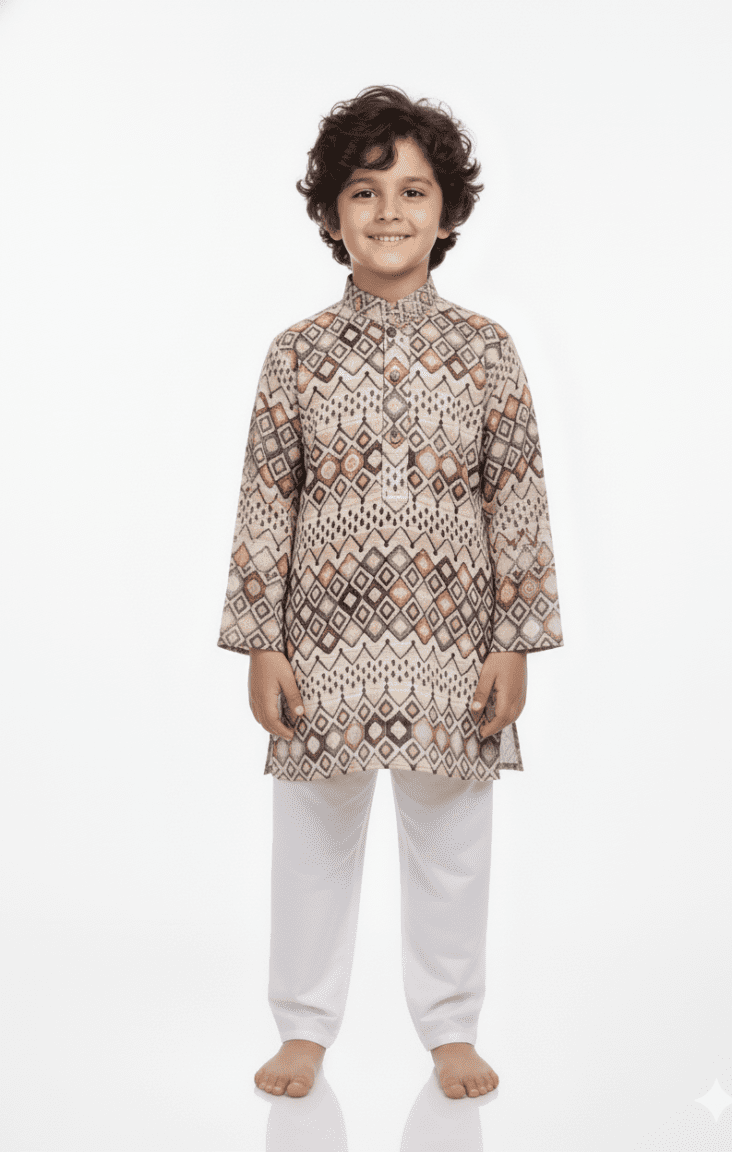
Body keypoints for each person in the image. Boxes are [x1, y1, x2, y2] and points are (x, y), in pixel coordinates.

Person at [216, 85, 564, 1101]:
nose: (389, 212)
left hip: (454, 645)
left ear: (448, 212)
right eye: (365, 192)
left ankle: (451, 1028)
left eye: (414, 191)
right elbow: (265, 502)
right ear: (331, 214)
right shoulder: (296, 356)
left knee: (453, 842)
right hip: (320, 648)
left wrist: (515, 640)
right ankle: (303, 1027)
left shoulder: (487, 352)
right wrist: (262, 642)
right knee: (312, 843)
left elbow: (518, 499)